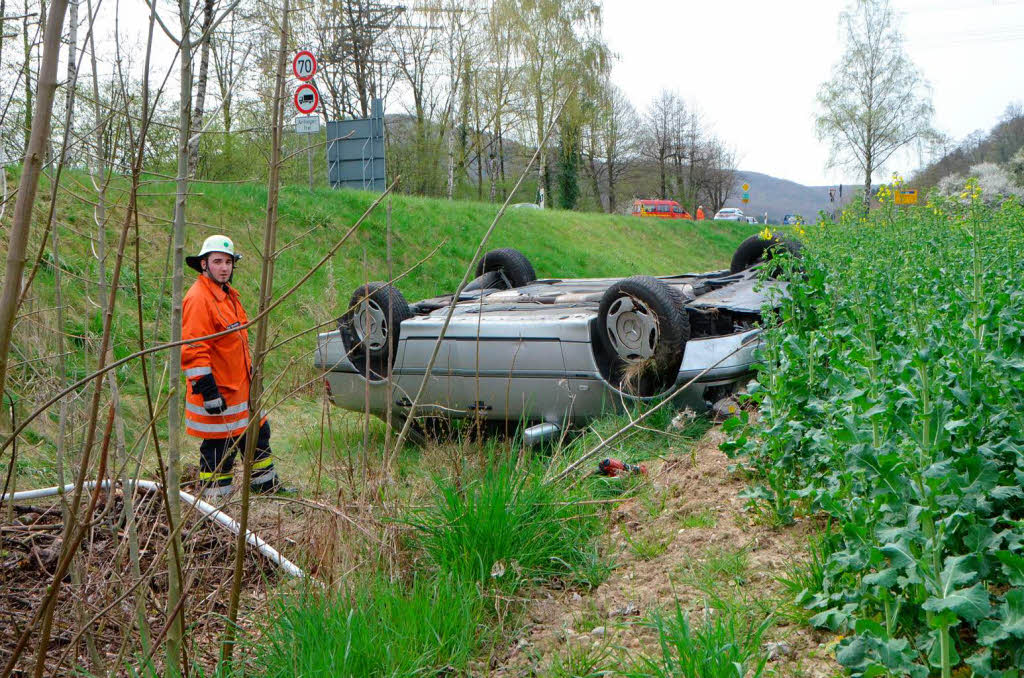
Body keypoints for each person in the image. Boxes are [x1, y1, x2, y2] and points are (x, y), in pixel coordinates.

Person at [181, 235, 285, 499]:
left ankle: (265, 488)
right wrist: (208, 391)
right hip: (219, 394)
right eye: (217, 261)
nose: (224, 267)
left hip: (240, 390)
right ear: (204, 265)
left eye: (228, 262)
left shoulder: (227, 296)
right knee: (218, 448)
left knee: (258, 435)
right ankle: (216, 503)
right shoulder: (198, 299)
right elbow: (194, 350)